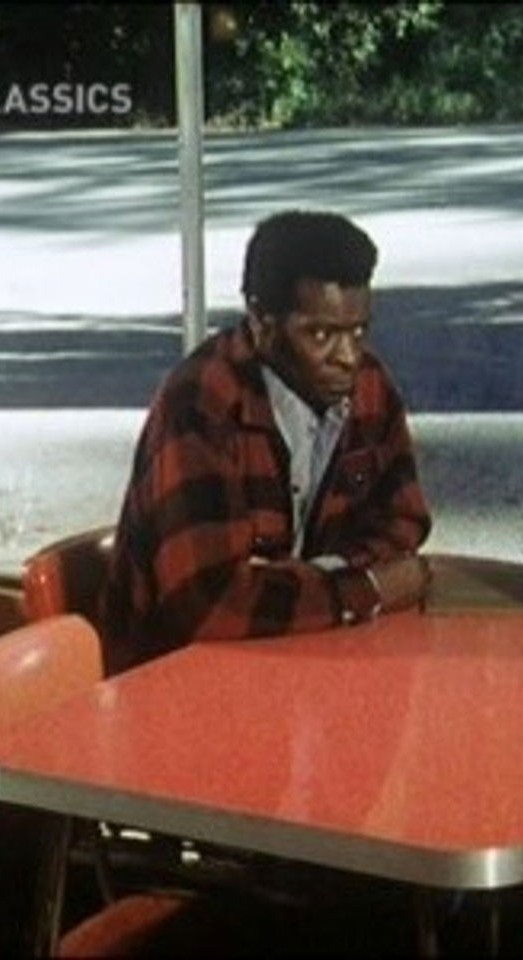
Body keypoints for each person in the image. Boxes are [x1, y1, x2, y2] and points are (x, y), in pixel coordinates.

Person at [101, 210, 432, 674]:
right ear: (260, 320)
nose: (348, 357)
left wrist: (296, 584)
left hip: (302, 654)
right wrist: (366, 588)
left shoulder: (369, 385)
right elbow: (209, 606)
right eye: (320, 334)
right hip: (172, 677)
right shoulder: (201, 402)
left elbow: (404, 520)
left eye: (359, 331)